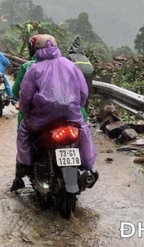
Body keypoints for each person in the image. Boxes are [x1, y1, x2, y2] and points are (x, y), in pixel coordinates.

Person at [12, 35, 97, 191]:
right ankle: (88, 165)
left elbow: (25, 96)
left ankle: (26, 164)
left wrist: (26, 111)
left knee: (23, 130)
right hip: (71, 115)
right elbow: (84, 92)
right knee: (84, 131)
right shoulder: (71, 65)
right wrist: (77, 107)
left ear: (36, 50)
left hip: (43, 117)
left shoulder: (34, 69)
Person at [66, 35, 94, 122]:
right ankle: (84, 120)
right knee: (85, 98)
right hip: (89, 76)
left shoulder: (70, 56)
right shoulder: (85, 58)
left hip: (77, 75)